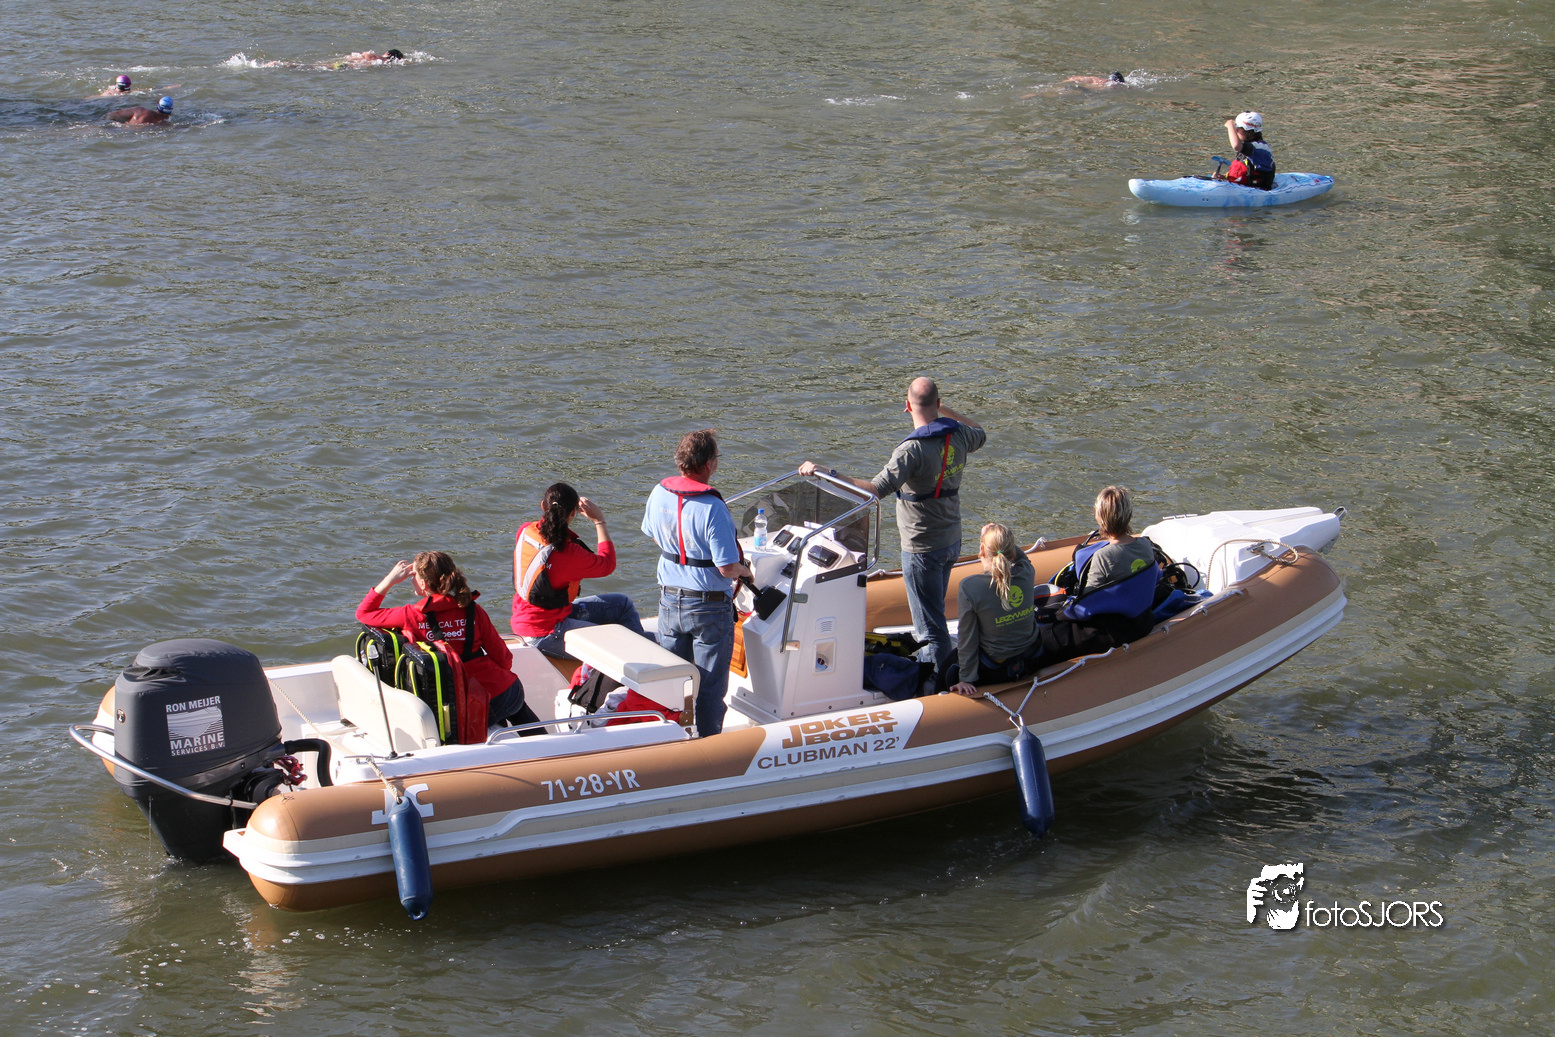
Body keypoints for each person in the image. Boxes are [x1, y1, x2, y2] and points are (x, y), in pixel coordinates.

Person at [799, 376, 985, 686]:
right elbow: (980, 430)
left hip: (921, 547)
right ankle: (943, 670)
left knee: (929, 627)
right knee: (934, 611)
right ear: (939, 404)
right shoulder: (959, 434)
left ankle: (940, 682)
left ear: (907, 406)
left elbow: (873, 491)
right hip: (951, 539)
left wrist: (826, 472)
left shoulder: (911, 451)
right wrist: (944, 412)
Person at [356, 550, 540, 741]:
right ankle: (549, 749)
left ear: (423, 583)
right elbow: (503, 658)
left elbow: (364, 613)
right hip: (503, 691)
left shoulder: (411, 615)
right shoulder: (473, 609)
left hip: (458, 704)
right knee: (520, 713)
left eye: (413, 576)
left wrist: (390, 580)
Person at [641, 429, 752, 737]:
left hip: (669, 601)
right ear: (708, 464)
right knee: (709, 690)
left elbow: (653, 534)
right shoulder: (713, 507)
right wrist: (745, 572)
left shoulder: (658, 493)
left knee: (671, 685)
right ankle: (707, 748)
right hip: (708, 608)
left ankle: (668, 739)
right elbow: (727, 567)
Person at [511, 482, 644, 659]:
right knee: (616, 645)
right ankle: (641, 660)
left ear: (543, 505)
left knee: (621, 604)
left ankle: (640, 652)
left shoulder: (525, 531)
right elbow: (608, 564)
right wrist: (599, 521)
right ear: (573, 513)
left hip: (531, 619)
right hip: (544, 634)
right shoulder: (568, 552)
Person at [1035, 486, 1162, 665]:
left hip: (1116, 630)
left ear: (1100, 518)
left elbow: (1087, 605)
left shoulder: (1104, 556)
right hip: (1143, 620)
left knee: (1047, 636)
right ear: (1129, 515)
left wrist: (1054, 614)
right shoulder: (1145, 545)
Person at [947, 523, 1040, 696]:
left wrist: (966, 678)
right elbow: (1021, 558)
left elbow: (967, 637)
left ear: (981, 550)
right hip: (1032, 658)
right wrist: (1003, 541)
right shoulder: (1027, 572)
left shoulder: (970, 587)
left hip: (995, 668)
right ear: (1012, 551)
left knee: (947, 666)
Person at [1220, 111, 1275, 190]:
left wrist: (1230, 126)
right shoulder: (1247, 146)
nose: (1236, 131)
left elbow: (1236, 146)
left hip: (1259, 190)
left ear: (1249, 132)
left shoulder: (1260, 148)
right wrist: (1224, 177)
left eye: (1238, 129)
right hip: (1242, 187)